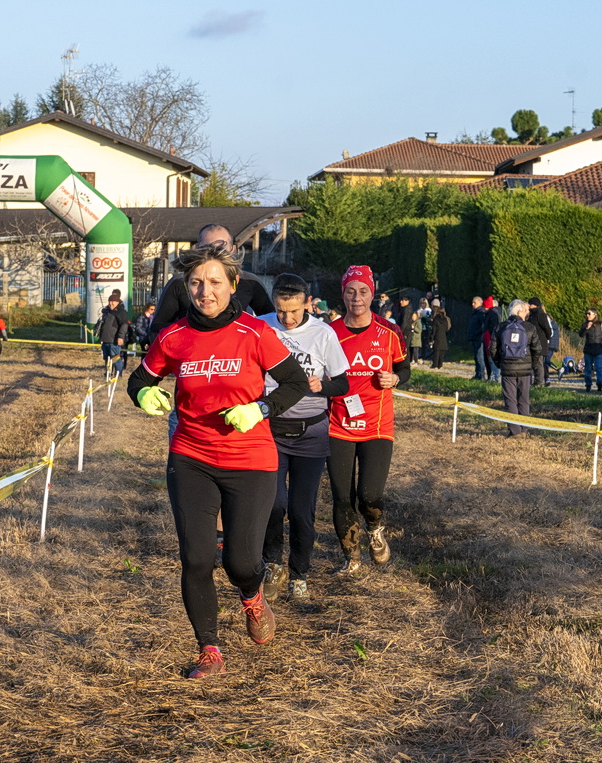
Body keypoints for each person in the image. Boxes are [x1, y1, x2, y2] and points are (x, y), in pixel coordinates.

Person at [126, 243, 310, 679]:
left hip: (251, 459)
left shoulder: (255, 333)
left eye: (213, 282)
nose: (204, 291)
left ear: (232, 285)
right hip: (191, 456)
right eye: (195, 283)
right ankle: (209, 649)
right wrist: (144, 393)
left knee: (240, 563)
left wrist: (260, 409)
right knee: (196, 558)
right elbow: (138, 378)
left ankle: (252, 596)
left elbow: (295, 382)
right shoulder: (173, 336)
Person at [258, 273, 350, 602]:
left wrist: (322, 386)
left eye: (294, 311)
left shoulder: (323, 334)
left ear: (308, 303)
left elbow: (343, 384)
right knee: (273, 505)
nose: (287, 319)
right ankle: (272, 563)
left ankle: (299, 573)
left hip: (311, 433)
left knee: (301, 510)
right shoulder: (262, 327)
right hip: (269, 430)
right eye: (281, 311)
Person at [328, 265, 409, 574]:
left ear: (372, 294)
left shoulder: (390, 331)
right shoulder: (330, 333)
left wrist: (395, 379)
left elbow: (404, 368)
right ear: (343, 294)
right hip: (338, 423)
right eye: (350, 291)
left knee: (369, 495)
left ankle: (374, 528)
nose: (357, 298)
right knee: (342, 497)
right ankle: (351, 559)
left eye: (363, 291)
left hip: (377, 424)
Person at [147, 224, 274, 337]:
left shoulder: (250, 282)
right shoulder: (179, 282)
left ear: (233, 249)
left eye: (221, 247)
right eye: (196, 283)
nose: (205, 291)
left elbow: (273, 322)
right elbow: (157, 329)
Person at [493, 299, 542, 437]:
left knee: (510, 400)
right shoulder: (529, 327)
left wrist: (500, 364)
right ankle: (524, 429)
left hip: (507, 369)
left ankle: (514, 430)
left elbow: (493, 349)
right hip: (525, 370)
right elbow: (537, 349)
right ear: (520, 311)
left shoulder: (500, 327)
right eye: (525, 311)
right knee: (524, 399)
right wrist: (532, 365)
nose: (527, 313)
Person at [95, 288, 130, 372]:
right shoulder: (107, 312)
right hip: (105, 340)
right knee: (107, 358)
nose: (111, 303)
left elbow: (124, 325)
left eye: (113, 301)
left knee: (115, 358)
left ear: (117, 302)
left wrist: (120, 337)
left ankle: (118, 374)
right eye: (109, 301)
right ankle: (108, 373)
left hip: (114, 340)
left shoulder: (121, 312)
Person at [579, 307, 602, 392]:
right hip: (588, 349)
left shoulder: (601, 324)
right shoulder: (585, 324)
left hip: (598, 349)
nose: (587, 315)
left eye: (589, 314)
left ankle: (600, 384)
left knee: (599, 368)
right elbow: (581, 335)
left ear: (595, 315)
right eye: (587, 313)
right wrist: (586, 328)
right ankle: (588, 385)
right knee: (588, 368)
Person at [526, 297, 553, 386]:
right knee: (534, 363)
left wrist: (546, 337)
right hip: (533, 342)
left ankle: (539, 382)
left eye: (530, 304)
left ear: (534, 305)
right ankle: (534, 381)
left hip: (540, 342)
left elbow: (547, 328)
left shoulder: (540, 314)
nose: (529, 306)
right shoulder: (531, 314)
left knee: (538, 363)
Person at [467, 296, 488, 378]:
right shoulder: (475, 312)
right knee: (476, 357)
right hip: (474, 337)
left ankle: (481, 375)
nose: (473, 304)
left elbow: (483, 326)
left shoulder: (481, 313)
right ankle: (477, 374)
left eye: (474, 302)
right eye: (472, 302)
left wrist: (477, 333)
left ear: (480, 303)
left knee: (479, 357)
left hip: (479, 337)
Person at [430, 299, 450, 368]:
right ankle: (440, 364)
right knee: (442, 352)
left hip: (437, 336)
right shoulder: (445, 319)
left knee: (436, 352)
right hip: (443, 337)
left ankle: (435, 364)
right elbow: (447, 328)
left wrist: (431, 338)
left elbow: (433, 330)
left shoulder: (435, 319)